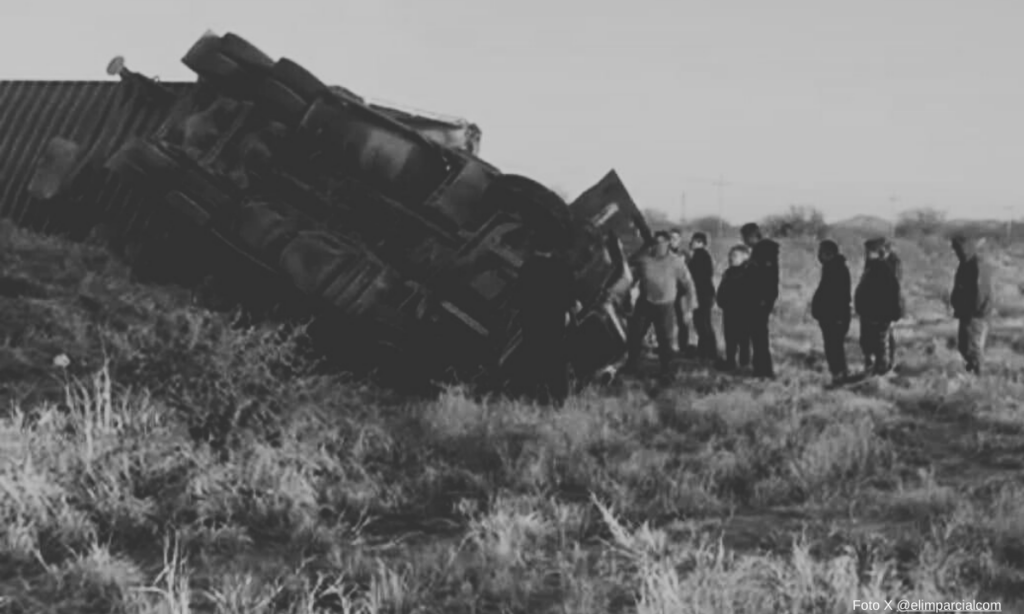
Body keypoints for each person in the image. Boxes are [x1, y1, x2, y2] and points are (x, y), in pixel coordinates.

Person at [515, 226, 577, 406]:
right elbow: (570, 297)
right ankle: (559, 399)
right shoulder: (562, 267)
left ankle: (533, 397)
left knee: (533, 358)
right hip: (554, 320)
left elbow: (519, 296)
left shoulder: (527, 267)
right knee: (556, 361)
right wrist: (570, 316)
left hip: (532, 319)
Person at [625, 231, 696, 379]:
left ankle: (666, 369)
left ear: (668, 243)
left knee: (665, 339)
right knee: (635, 335)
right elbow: (632, 275)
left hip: (665, 305)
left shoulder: (676, 261)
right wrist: (629, 293)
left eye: (662, 242)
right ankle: (631, 365)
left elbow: (689, 284)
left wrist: (689, 308)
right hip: (645, 303)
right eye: (656, 242)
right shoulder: (644, 259)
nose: (659, 245)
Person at [854, 237, 904, 376]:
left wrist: (895, 311)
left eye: (870, 251)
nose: (867, 254)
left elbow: (894, 290)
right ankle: (873, 365)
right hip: (869, 309)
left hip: (882, 309)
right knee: (868, 339)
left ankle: (883, 370)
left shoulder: (891, 263)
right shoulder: (872, 263)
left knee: (882, 340)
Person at [740, 223, 780, 379]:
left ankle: (764, 371)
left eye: (744, 238)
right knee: (758, 336)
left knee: (759, 336)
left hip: (760, 300)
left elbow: (766, 279)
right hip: (758, 299)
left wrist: (764, 299)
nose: (744, 241)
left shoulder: (764, 252)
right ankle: (761, 369)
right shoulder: (761, 251)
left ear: (751, 236)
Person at [949, 234, 994, 375]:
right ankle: (973, 372)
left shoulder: (975, 265)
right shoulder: (966, 263)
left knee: (972, 348)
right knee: (964, 347)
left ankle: (979, 378)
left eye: (957, 249)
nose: (955, 252)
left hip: (975, 314)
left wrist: (970, 311)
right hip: (966, 313)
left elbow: (979, 293)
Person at [811, 240, 852, 385]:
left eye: (821, 252)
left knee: (833, 347)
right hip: (831, 316)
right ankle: (841, 374)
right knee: (833, 346)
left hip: (835, 317)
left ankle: (839, 376)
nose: (819, 256)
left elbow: (838, 297)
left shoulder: (837, 269)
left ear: (829, 253)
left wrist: (836, 317)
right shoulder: (831, 268)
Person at [716, 244, 753, 371]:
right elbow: (722, 289)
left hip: (744, 312)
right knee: (730, 338)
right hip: (729, 311)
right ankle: (730, 361)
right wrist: (720, 300)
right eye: (730, 255)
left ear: (745, 257)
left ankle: (744, 363)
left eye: (735, 256)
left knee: (744, 339)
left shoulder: (749, 273)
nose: (731, 258)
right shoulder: (728, 273)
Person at [687, 232, 719, 361]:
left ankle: (706, 352)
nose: (691, 243)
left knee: (701, 323)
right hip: (707, 294)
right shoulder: (706, 256)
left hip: (701, 294)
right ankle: (708, 351)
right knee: (705, 322)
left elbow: (694, 276)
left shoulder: (699, 256)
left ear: (701, 243)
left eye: (694, 241)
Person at [668, 227, 692, 354]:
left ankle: (683, 346)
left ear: (680, 240)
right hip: (667, 291)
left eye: (675, 238)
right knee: (667, 321)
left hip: (680, 292)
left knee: (683, 320)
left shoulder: (684, 255)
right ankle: (668, 345)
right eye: (671, 238)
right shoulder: (662, 254)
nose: (673, 241)